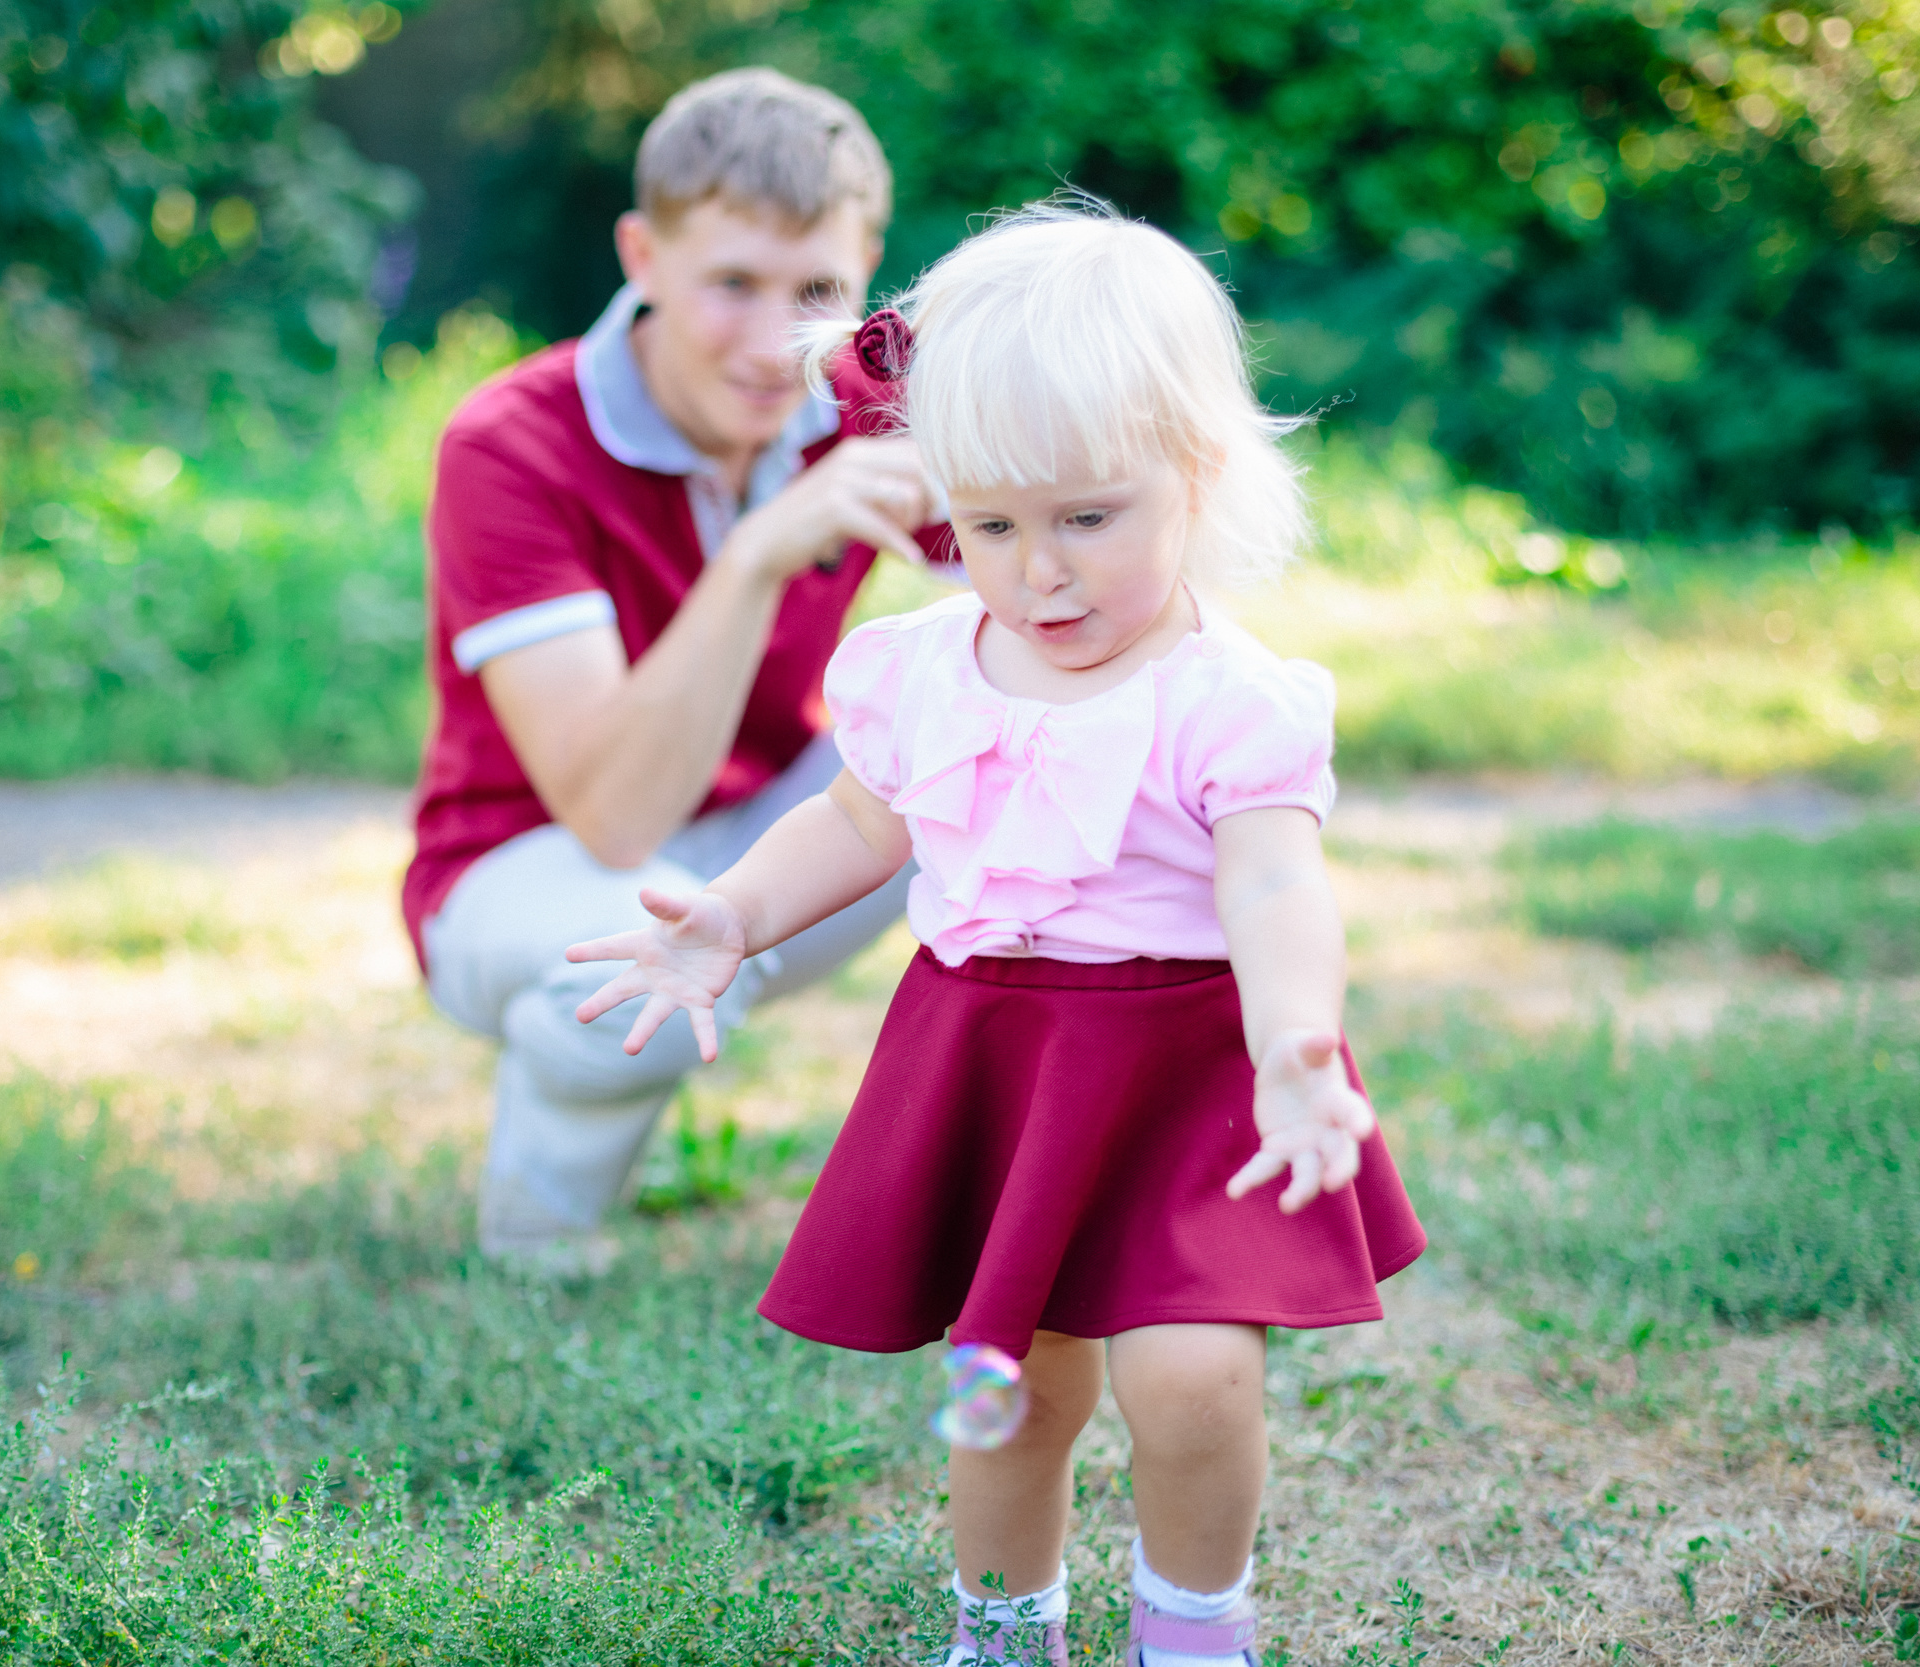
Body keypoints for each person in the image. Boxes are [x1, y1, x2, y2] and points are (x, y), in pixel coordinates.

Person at [567, 202, 1427, 1666]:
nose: (1038, 573)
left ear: (1194, 475)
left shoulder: (1231, 697)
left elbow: (1278, 885)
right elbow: (857, 822)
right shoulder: (922, 671)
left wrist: (1295, 1041)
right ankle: (1004, 1621)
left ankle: (1195, 1628)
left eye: (1088, 516)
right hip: (995, 1061)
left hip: (1191, 1072)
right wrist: (735, 914)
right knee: (1005, 1379)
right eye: (991, 526)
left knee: (1196, 1373)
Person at [400, 68, 949, 1264]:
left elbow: (1072, 631)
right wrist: (757, 553)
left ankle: (1030, 1174)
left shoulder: (867, 400)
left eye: (815, 291)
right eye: (731, 284)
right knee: (639, 954)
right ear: (642, 257)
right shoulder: (514, 441)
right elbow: (615, 817)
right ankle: (537, 1233)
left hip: (769, 824)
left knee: (1024, 770)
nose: (771, 343)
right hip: (520, 866)